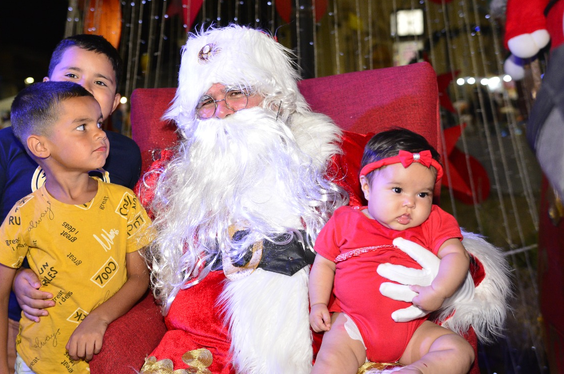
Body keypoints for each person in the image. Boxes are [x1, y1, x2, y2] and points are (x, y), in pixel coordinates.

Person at [106, 24, 509, 374]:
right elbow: (116, 262)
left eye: (238, 93)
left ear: (276, 97)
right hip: (203, 352)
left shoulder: (343, 156)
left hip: (340, 343)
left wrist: (446, 277)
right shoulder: (170, 183)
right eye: (207, 102)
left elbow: (431, 222)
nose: (223, 112)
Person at [0, 34, 144, 373]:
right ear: (46, 84)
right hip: (14, 318)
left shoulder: (126, 155)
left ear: (114, 102)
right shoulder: (6, 144)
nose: (83, 87)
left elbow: (128, 240)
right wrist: (12, 275)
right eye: (71, 75)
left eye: (99, 82)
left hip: (92, 327)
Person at [309, 128, 474, 373]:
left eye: (422, 193)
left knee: (459, 350)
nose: (410, 203)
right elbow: (324, 263)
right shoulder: (344, 221)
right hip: (353, 326)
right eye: (397, 190)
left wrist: (438, 291)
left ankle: (416, 370)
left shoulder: (434, 221)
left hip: (412, 329)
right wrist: (318, 303)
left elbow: (457, 256)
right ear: (366, 187)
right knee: (330, 363)